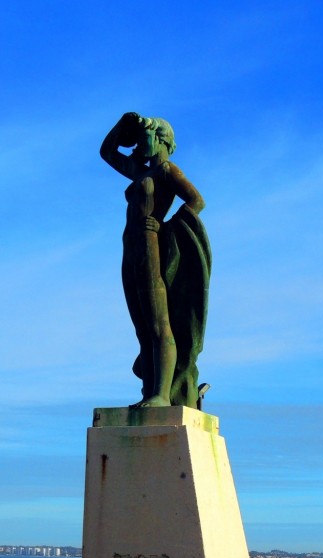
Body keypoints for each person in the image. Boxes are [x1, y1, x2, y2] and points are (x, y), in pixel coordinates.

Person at [100, 112, 211, 408]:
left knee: (159, 323)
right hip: (131, 246)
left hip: (151, 245)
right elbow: (107, 152)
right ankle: (150, 391)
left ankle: (161, 395)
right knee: (142, 328)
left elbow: (196, 201)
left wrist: (167, 227)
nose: (137, 143)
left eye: (143, 136)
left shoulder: (166, 171)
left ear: (160, 139)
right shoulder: (140, 172)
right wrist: (124, 123)